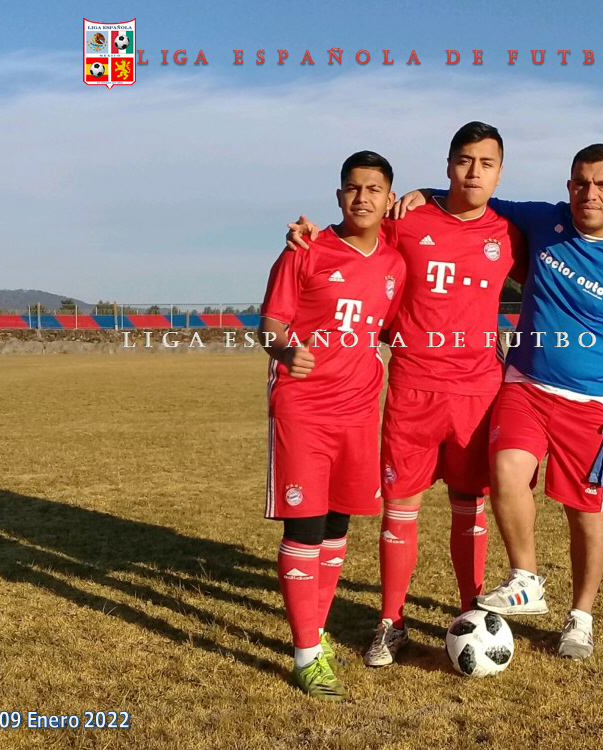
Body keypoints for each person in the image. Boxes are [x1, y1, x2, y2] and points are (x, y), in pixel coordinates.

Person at [399, 144, 603, 659]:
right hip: (523, 385)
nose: (590, 193)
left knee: (584, 512)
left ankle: (581, 618)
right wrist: (426, 193)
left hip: (591, 404)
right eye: (581, 182)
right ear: (569, 186)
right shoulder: (545, 220)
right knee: (505, 473)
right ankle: (526, 579)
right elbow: (477, 196)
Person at [285, 122, 526, 668]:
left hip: (478, 393)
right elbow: (356, 234)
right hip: (413, 388)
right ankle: (390, 623)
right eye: (464, 160)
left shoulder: (510, 233)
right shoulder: (407, 218)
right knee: (400, 510)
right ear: (448, 165)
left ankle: (470, 611)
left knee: (469, 506)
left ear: (499, 172)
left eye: (486, 163)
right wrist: (310, 236)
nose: (474, 172)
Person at [259, 151, 406, 699]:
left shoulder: (394, 264)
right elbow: (269, 324)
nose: (362, 198)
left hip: (360, 412)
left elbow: (388, 330)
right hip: (303, 409)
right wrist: (284, 350)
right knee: (304, 525)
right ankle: (305, 657)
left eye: (373, 189)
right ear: (339, 195)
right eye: (353, 188)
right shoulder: (305, 250)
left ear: (389, 199)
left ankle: (315, 634)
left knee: (337, 527)